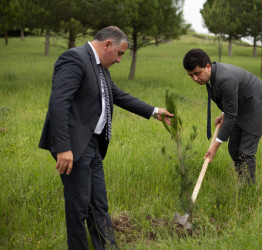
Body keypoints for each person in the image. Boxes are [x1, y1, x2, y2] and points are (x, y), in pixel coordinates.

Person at [39, 26, 173, 250]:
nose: (120, 60)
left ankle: (108, 247)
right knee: (78, 207)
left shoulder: (100, 68)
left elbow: (117, 95)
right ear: (107, 44)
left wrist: (154, 111)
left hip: (93, 144)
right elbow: (58, 103)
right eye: (120, 53)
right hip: (73, 146)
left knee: (99, 204)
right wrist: (63, 147)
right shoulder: (74, 58)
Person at [183, 48, 262, 185]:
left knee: (245, 152)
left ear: (208, 66)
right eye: (191, 75)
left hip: (257, 106)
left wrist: (214, 146)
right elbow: (229, 100)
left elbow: (232, 116)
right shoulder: (211, 75)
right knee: (234, 148)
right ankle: (242, 182)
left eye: (197, 73)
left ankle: (248, 190)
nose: (195, 79)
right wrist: (224, 113)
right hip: (241, 107)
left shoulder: (225, 79)